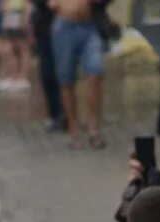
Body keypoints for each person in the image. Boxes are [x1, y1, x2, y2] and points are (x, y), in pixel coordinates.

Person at [51, 0, 105, 149]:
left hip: (88, 26)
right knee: (66, 79)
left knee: (96, 73)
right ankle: (74, 129)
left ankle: (94, 129)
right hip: (64, 25)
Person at [31, 0, 66, 131]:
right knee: (48, 74)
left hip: (69, 24)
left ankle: (65, 114)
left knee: (64, 73)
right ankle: (56, 114)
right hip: (44, 27)